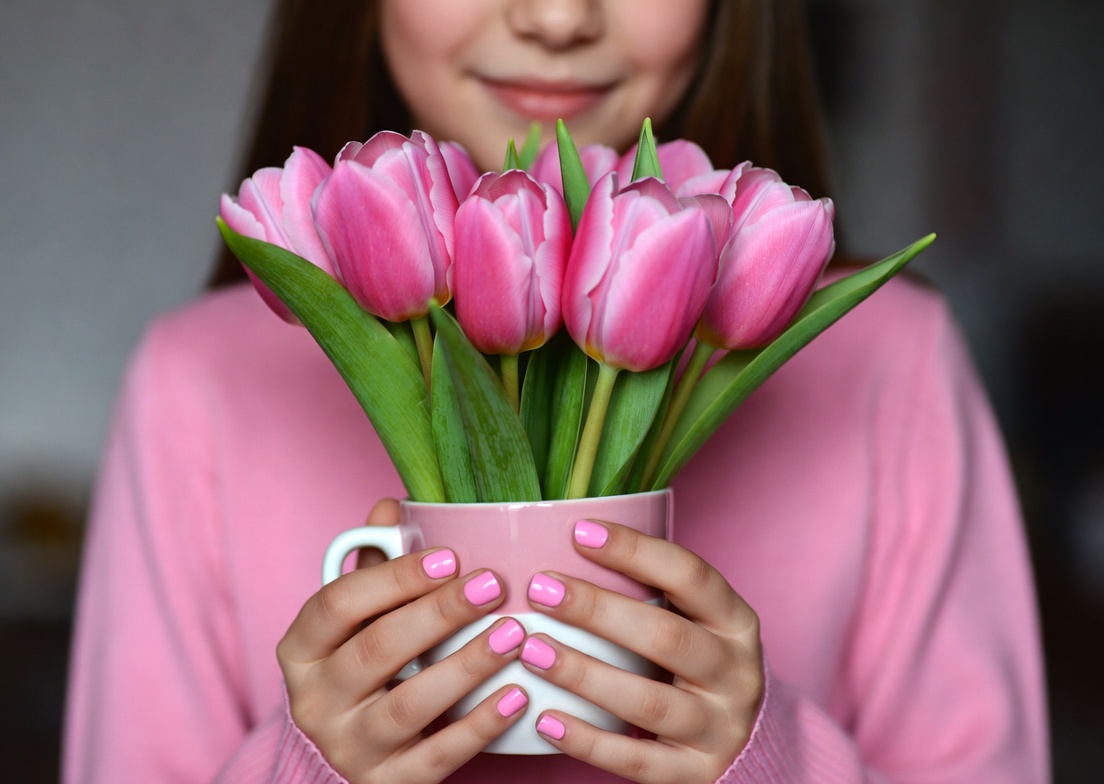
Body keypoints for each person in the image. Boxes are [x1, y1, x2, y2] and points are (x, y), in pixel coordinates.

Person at [63, 1, 1049, 782]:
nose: (557, 15)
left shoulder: (889, 359)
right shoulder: (197, 379)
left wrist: (768, 759)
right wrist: (308, 768)